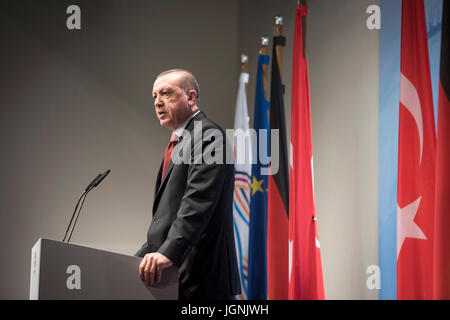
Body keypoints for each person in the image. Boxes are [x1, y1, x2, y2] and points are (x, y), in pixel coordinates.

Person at [136, 69, 241, 300]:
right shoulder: (182, 141)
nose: (157, 102)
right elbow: (167, 218)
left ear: (191, 97)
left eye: (165, 93)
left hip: (203, 280)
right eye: (154, 96)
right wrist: (135, 262)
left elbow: (197, 203)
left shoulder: (208, 136)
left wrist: (167, 254)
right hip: (181, 279)